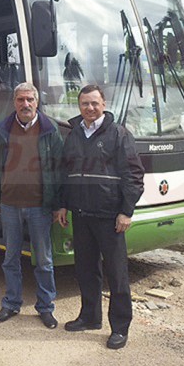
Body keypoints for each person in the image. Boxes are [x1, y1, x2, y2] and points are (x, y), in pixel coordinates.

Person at [56, 84, 144, 349]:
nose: (90, 108)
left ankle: (120, 327)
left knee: (117, 275)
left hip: (109, 217)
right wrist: (62, 205)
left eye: (94, 103)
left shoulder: (119, 135)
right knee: (86, 270)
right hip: (81, 215)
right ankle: (89, 317)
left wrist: (126, 211)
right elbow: (64, 173)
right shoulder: (74, 135)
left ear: (103, 104)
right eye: (85, 104)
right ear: (79, 106)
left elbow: (134, 176)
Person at [0, 82, 64, 329]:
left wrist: (59, 205)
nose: (25, 104)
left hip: (41, 207)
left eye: (29, 99)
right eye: (20, 100)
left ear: (37, 102)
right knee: (11, 258)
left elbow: (59, 170)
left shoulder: (50, 130)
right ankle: (11, 303)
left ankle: (46, 308)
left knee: (44, 260)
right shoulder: (1, 130)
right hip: (8, 205)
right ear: (14, 103)